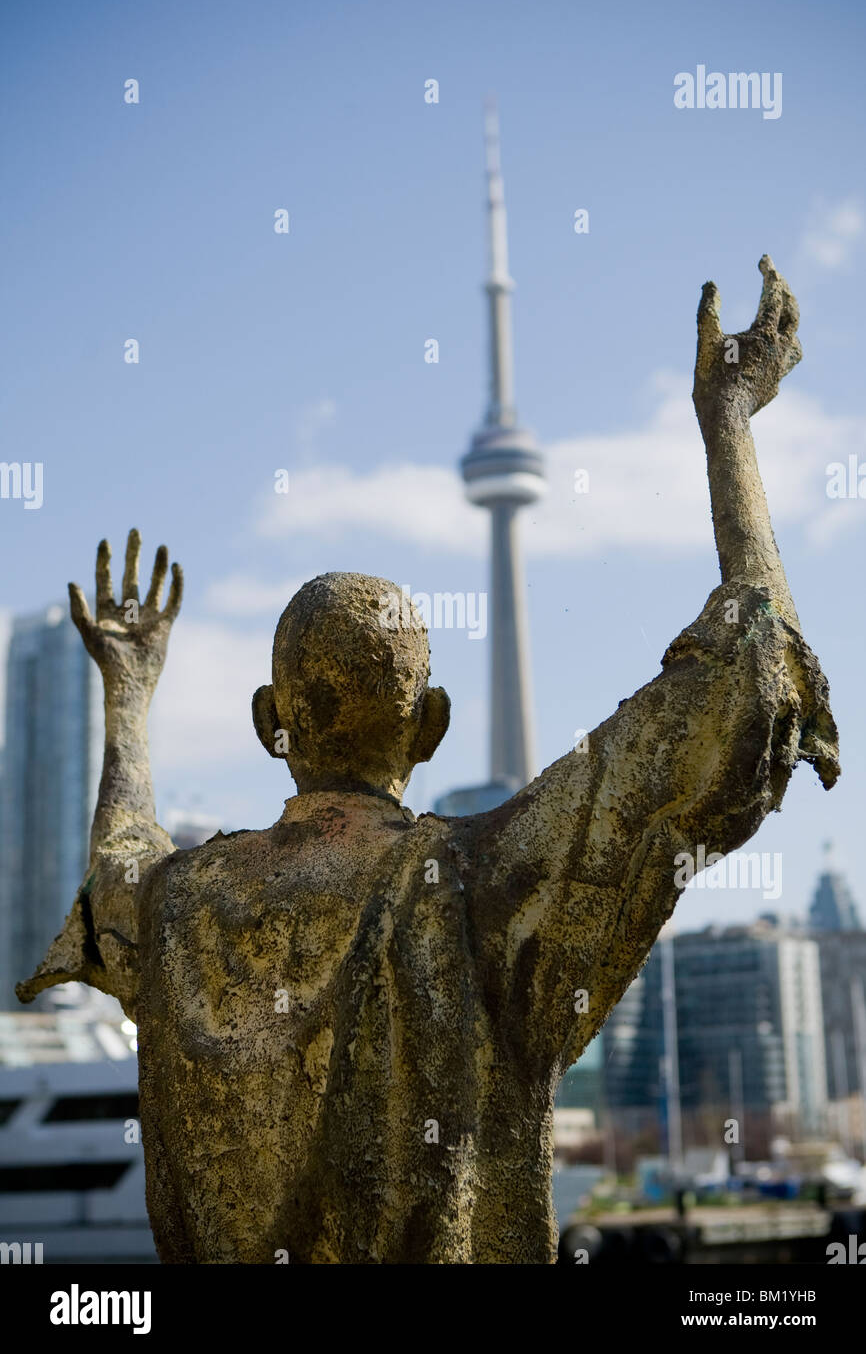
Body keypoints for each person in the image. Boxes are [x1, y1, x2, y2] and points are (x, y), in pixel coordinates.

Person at [19, 258, 839, 1263]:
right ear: (433, 725)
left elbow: (119, 867)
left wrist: (130, 700)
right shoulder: (482, 883)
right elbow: (745, 679)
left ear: (269, 719)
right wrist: (729, 425)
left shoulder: (182, 907)